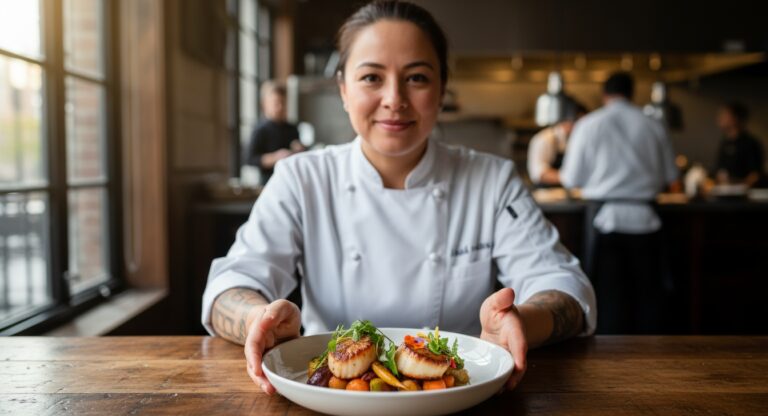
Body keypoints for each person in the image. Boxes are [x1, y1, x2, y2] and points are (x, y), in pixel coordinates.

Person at [203, 0, 596, 395]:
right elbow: (230, 285)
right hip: (330, 398)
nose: (394, 98)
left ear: (442, 88)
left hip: (458, 400)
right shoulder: (301, 178)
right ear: (343, 89)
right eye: (372, 77)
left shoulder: (491, 180)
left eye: (418, 78)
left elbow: (563, 285)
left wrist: (521, 321)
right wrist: (259, 318)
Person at [559, 72, 677, 334]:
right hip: (647, 221)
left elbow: (570, 178)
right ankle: (655, 359)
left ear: (604, 94)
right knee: (649, 298)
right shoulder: (653, 124)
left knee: (610, 299)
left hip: (606, 222)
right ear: (632, 92)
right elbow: (671, 175)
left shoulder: (589, 124)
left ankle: (611, 365)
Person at [244, 81, 305, 185]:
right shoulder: (260, 130)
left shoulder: (292, 128)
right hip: (267, 182)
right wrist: (275, 157)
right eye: (276, 103)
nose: (280, 107)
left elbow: (300, 154)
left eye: (283, 102)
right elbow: (250, 159)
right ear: (264, 104)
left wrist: (299, 150)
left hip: (289, 181)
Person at [527, 100, 587, 187]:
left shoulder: (577, 140)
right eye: (580, 124)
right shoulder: (544, 139)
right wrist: (570, 178)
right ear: (568, 121)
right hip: (546, 194)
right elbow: (540, 174)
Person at [714, 102, 765, 187]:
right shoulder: (724, 143)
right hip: (725, 191)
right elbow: (720, 171)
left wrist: (740, 187)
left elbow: (755, 174)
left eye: (725, 115)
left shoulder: (751, 143)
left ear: (736, 118)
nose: (720, 118)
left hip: (746, 194)